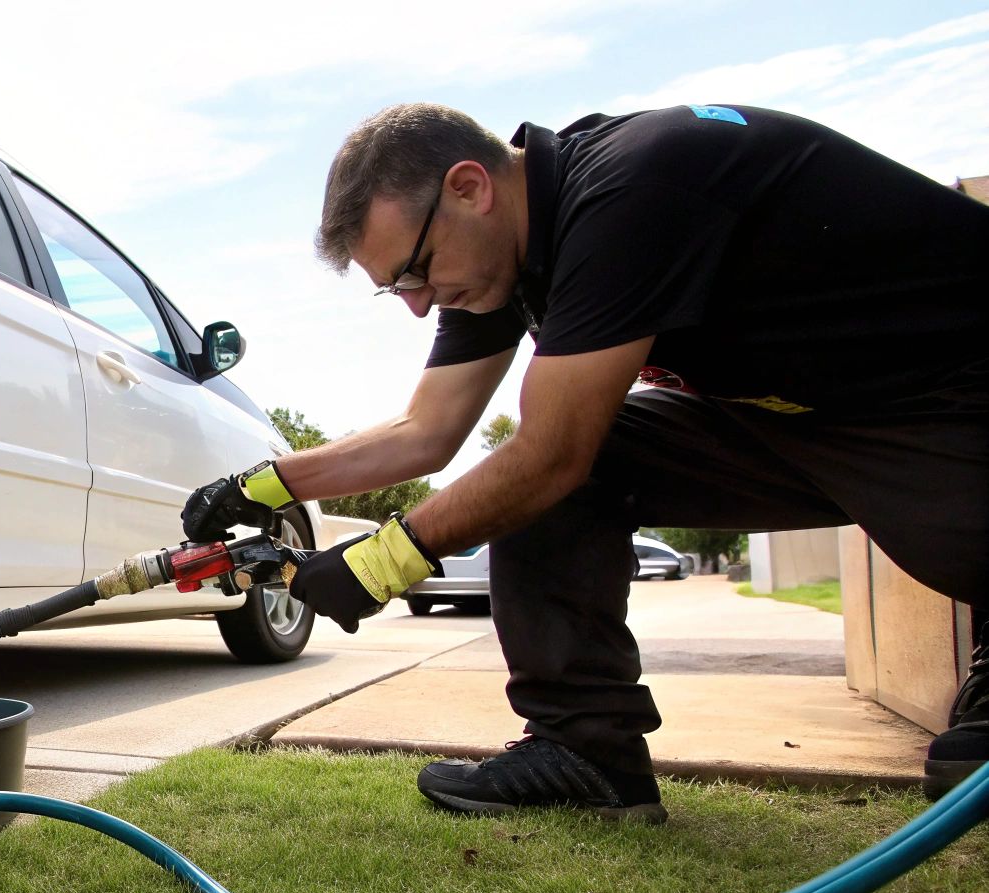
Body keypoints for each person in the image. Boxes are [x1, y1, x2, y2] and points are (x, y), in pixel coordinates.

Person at [182, 103, 988, 823]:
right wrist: (262, 485)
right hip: (790, 418)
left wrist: (380, 563)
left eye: (416, 272)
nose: (420, 305)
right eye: (398, 290)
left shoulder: (635, 188)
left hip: (950, 392)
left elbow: (551, 454)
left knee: (551, 458)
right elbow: (427, 430)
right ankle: (586, 752)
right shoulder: (503, 260)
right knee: (569, 465)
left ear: (469, 187)